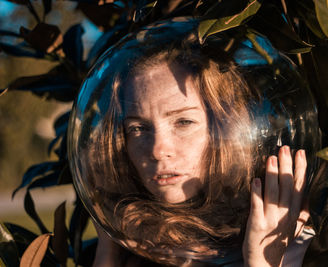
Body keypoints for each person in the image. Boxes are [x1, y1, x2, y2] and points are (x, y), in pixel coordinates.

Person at [80, 31, 311, 266]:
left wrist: (264, 259)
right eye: (138, 128)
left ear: (226, 127)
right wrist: (108, 250)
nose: (158, 150)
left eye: (183, 122)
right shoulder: (129, 240)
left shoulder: (283, 228)